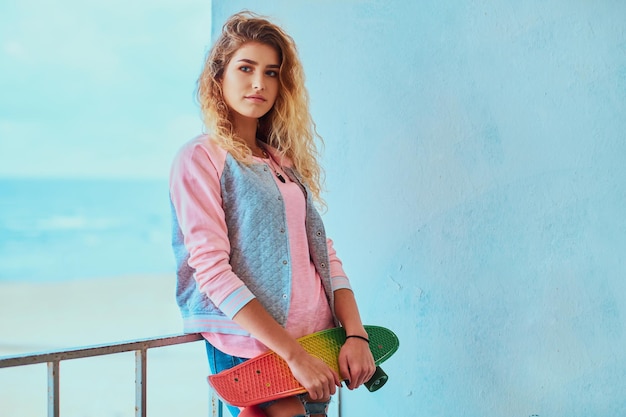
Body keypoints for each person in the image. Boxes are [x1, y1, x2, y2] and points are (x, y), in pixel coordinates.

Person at [169, 11, 375, 417]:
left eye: (272, 72)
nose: (259, 83)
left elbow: (324, 256)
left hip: (317, 343)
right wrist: (292, 354)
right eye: (245, 68)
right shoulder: (200, 158)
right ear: (219, 76)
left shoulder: (281, 163)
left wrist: (356, 334)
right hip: (254, 349)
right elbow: (211, 270)